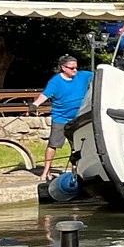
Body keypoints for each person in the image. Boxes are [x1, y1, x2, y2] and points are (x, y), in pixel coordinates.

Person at [32, 54, 94, 182]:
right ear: (63, 68)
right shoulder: (55, 82)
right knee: (53, 144)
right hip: (60, 118)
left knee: (76, 146)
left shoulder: (83, 76)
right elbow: (45, 95)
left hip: (78, 118)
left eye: (76, 68)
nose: (75, 70)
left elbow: (100, 75)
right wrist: (35, 104)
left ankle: (76, 171)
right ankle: (45, 172)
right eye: (71, 68)